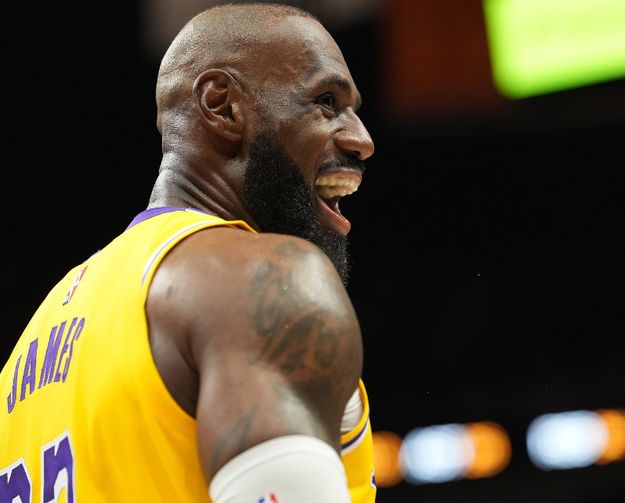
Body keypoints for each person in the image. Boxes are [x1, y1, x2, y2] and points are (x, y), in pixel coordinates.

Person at [0, 3, 376, 502]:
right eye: (326, 102)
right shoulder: (261, 280)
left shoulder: (26, 353)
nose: (362, 140)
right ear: (222, 105)